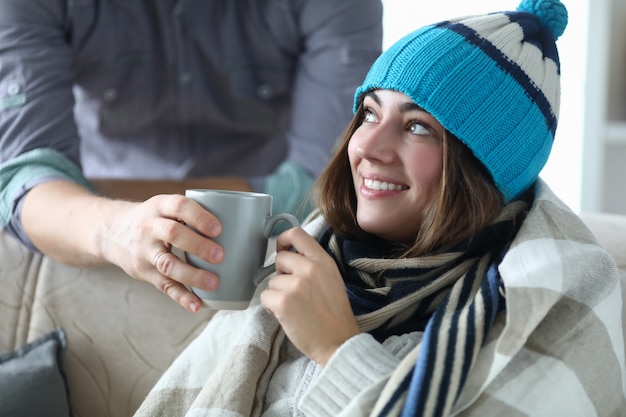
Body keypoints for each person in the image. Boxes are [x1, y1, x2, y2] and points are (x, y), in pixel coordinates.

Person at [133, 0, 626, 416]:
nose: (368, 146)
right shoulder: (317, 253)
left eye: (417, 126)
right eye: (370, 112)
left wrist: (338, 349)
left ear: (482, 170)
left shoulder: (560, 303)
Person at [0, 0, 383, 313]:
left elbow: (323, 185)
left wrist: (84, 193)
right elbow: (25, 178)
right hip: (94, 243)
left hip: (266, 252)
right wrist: (119, 226)